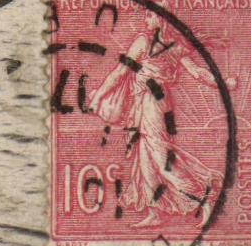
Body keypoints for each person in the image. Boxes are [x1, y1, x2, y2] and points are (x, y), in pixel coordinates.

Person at [90, 14, 223, 227]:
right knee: (144, 159)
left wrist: (97, 98)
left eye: (150, 16)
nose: (146, 20)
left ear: (160, 20)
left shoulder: (144, 42)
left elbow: (120, 72)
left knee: (161, 157)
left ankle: (204, 195)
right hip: (145, 103)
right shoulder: (172, 46)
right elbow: (197, 72)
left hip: (153, 103)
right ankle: (155, 212)